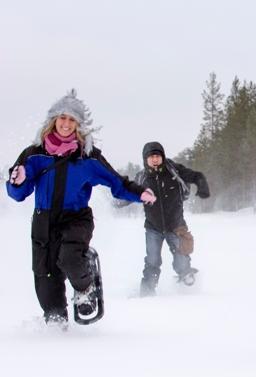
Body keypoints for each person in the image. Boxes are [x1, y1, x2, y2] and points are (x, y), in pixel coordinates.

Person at [6, 89, 156, 327]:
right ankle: (56, 326)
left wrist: (139, 193)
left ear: (79, 125)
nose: (66, 124)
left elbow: (117, 182)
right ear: (53, 120)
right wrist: (17, 181)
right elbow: (18, 194)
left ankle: (85, 288)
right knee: (45, 281)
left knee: (69, 258)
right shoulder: (33, 154)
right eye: (62, 118)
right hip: (43, 223)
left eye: (72, 120)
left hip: (76, 220)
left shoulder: (88, 157)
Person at [130, 141, 210, 296]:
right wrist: (116, 202)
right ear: (145, 159)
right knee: (152, 261)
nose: (155, 159)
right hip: (153, 228)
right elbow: (128, 192)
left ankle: (187, 282)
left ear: (162, 157)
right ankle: (147, 291)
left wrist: (202, 184)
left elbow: (196, 176)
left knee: (181, 259)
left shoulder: (174, 170)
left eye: (158, 156)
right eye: (151, 156)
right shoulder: (141, 178)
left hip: (176, 226)